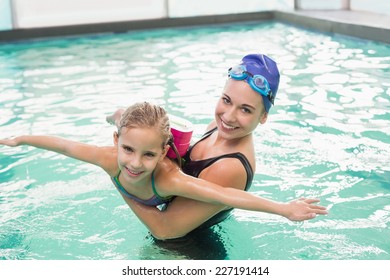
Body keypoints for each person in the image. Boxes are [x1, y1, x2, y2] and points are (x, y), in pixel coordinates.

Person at [0, 102, 327, 233]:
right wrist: (20, 140)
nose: (133, 164)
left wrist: (283, 209)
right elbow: (64, 144)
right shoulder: (107, 156)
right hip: (131, 130)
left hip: (174, 193)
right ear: (115, 141)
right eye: (126, 149)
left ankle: (128, 120)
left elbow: (225, 193)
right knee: (131, 124)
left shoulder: (168, 177)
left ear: (163, 153)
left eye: (148, 155)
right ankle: (119, 114)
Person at [105, 53, 328, 240]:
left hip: (186, 252)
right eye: (227, 100)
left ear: (263, 117)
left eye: (246, 110)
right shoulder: (216, 127)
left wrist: (119, 176)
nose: (228, 117)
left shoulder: (229, 168)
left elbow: (164, 230)